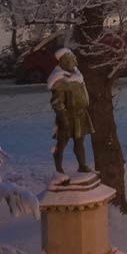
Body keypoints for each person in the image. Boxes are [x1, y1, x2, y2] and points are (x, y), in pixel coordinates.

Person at [47, 48, 93, 178]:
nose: (75, 62)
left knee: (80, 142)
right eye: (72, 60)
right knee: (62, 143)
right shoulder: (60, 80)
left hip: (80, 115)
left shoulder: (76, 75)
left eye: (74, 59)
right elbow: (57, 103)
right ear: (64, 62)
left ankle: (82, 165)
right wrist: (64, 118)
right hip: (67, 117)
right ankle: (59, 169)